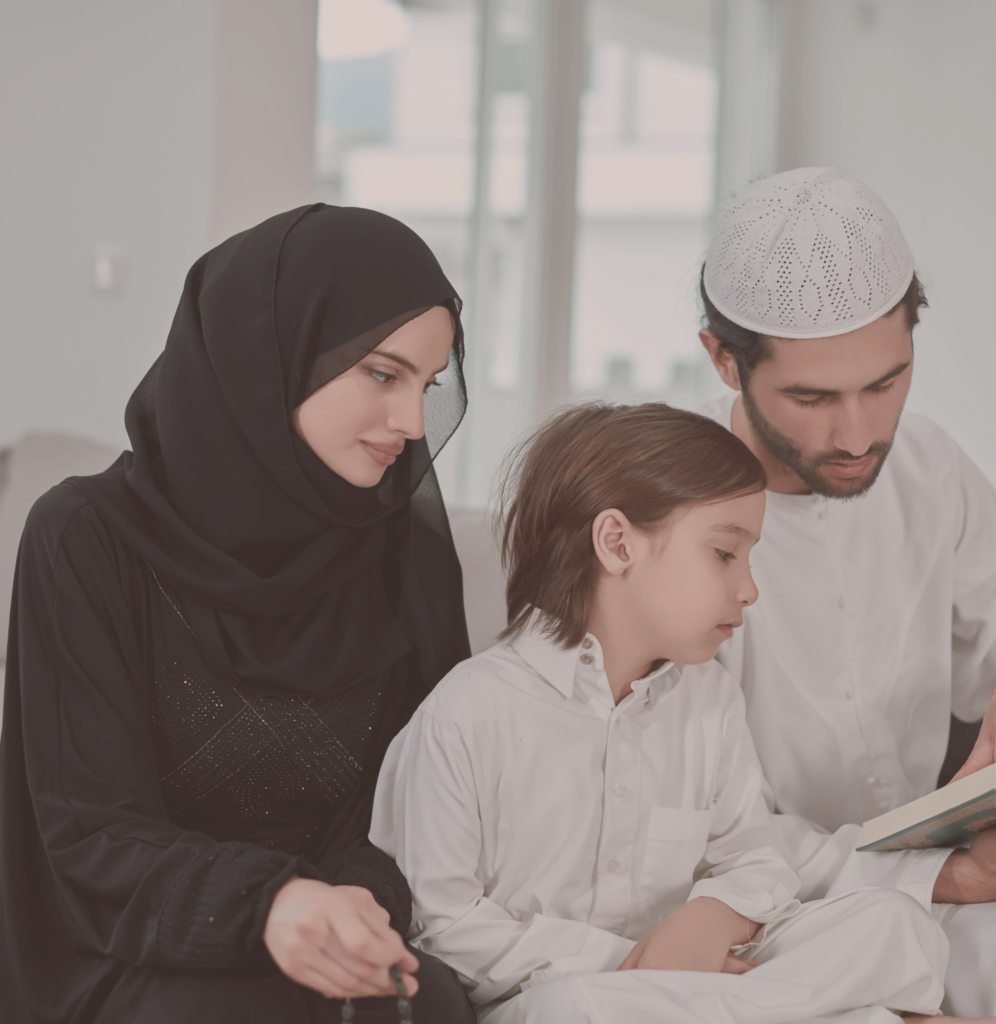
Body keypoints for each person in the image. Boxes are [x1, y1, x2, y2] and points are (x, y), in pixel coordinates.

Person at [0, 204, 477, 1024]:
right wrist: (268, 906)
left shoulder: (407, 553)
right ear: (270, 357)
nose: (410, 423)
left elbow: (420, 802)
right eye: (381, 373)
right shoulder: (83, 537)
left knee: (425, 1004)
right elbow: (89, 826)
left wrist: (351, 906)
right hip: (122, 948)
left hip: (330, 936)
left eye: (427, 386)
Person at [370, 403, 957, 1024]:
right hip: (566, 996)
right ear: (617, 543)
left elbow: (754, 859)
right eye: (726, 554)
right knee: (573, 1011)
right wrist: (637, 965)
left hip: (704, 985)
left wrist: (716, 915)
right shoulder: (467, 713)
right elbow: (440, 926)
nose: (750, 589)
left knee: (895, 924)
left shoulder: (710, 701)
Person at [696, 166, 996, 1016]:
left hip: (955, 891)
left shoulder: (932, 468)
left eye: (886, 383)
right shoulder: (667, 519)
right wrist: (943, 873)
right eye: (811, 397)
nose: (859, 435)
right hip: (763, 913)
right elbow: (691, 828)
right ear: (724, 360)